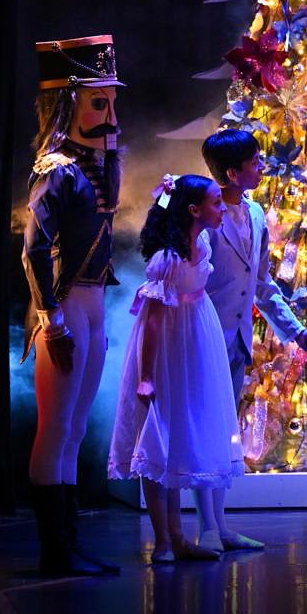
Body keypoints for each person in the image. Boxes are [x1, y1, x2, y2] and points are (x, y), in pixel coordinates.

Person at [21, 34, 124, 577]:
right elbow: (34, 248)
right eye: (98, 103)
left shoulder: (101, 165)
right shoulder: (56, 170)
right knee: (56, 428)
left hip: (94, 305)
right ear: (69, 106)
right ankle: (54, 549)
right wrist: (51, 319)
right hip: (64, 308)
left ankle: (68, 543)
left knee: (75, 430)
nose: (110, 117)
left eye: (112, 103)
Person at [200, 128, 307, 550]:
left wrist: (295, 330)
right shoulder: (204, 215)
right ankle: (206, 527)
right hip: (204, 335)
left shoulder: (254, 214)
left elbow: (262, 284)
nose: (262, 167)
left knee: (225, 431)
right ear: (232, 173)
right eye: (254, 162)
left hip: (236, 339)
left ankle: (220, 525)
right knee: (207, 429)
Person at [108, 174, 244, 563]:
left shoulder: (202, 244)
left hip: (197, 338)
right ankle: (164, 541)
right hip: (168, 347)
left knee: (181, 435)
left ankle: (179, 538)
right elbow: (152, 321)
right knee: (158, 437)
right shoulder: (167, 260)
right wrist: (146, 375)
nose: (221, 209)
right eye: (215, 203)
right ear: (194, 210)